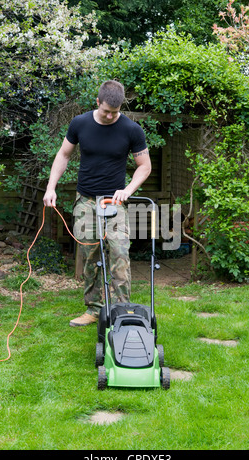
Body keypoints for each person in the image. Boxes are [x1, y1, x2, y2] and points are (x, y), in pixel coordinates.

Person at [43, 80, 151, 326]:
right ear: (98, 102)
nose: (111, 115)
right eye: (106, 111)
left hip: (114, 203)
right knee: (89, 256)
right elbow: (64, 154)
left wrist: (128, 190)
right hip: (86, 202)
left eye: (115, 111)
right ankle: (93, 309)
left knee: (120, 254)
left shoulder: (132, 129)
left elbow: (144, 167)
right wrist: (51, 188)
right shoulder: (80, 123)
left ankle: (122, 311)